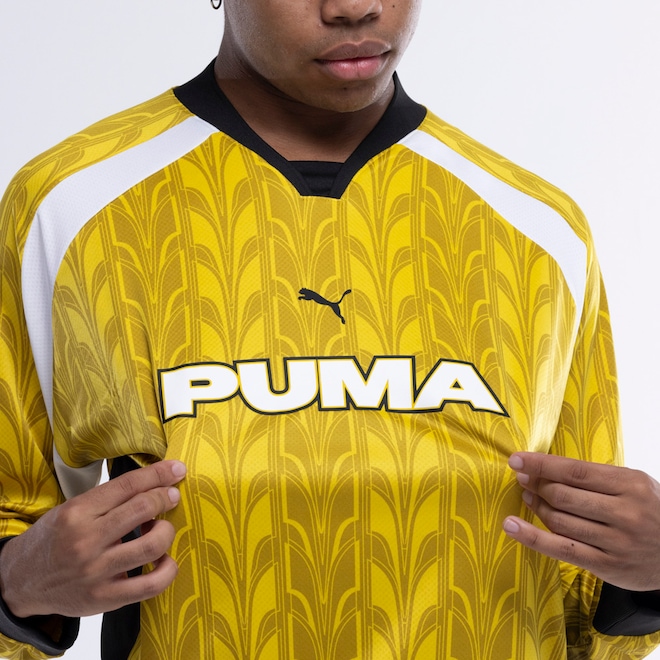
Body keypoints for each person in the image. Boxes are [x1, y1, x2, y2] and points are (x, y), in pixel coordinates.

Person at [1, 0, 660, 658]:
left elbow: (589, 592)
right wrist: (15, 583)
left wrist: (652, 575)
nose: (356, 7)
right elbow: (18, 527)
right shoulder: (71, 204)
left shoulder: (537, 227)